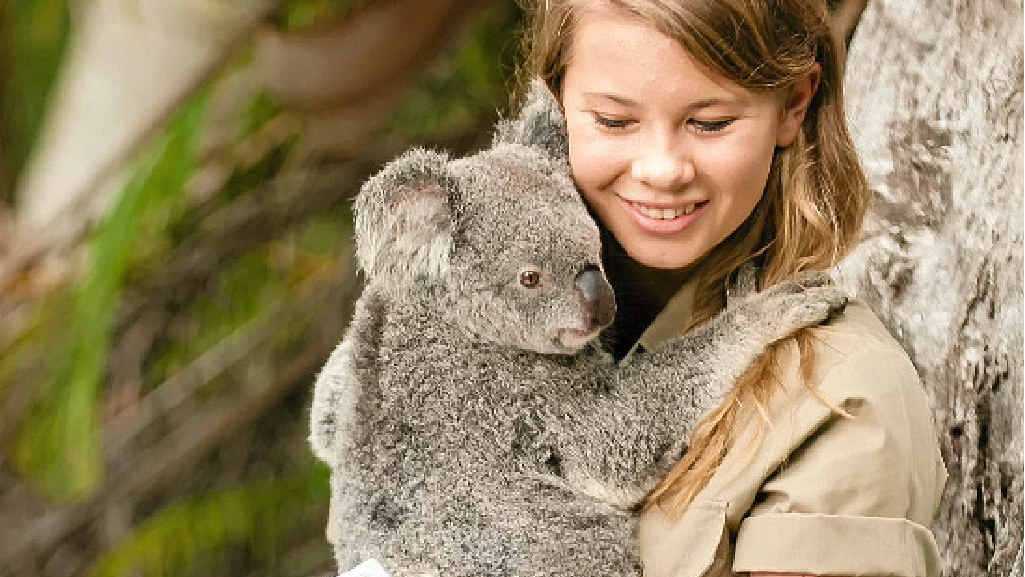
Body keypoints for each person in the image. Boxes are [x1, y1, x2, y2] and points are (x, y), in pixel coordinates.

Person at [515, 1, 948, 576]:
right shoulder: (455, 309)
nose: (662, 168)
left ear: (793, 103)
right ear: (554, 104)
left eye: (710, 123)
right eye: (615, 122)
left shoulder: (839, 397)